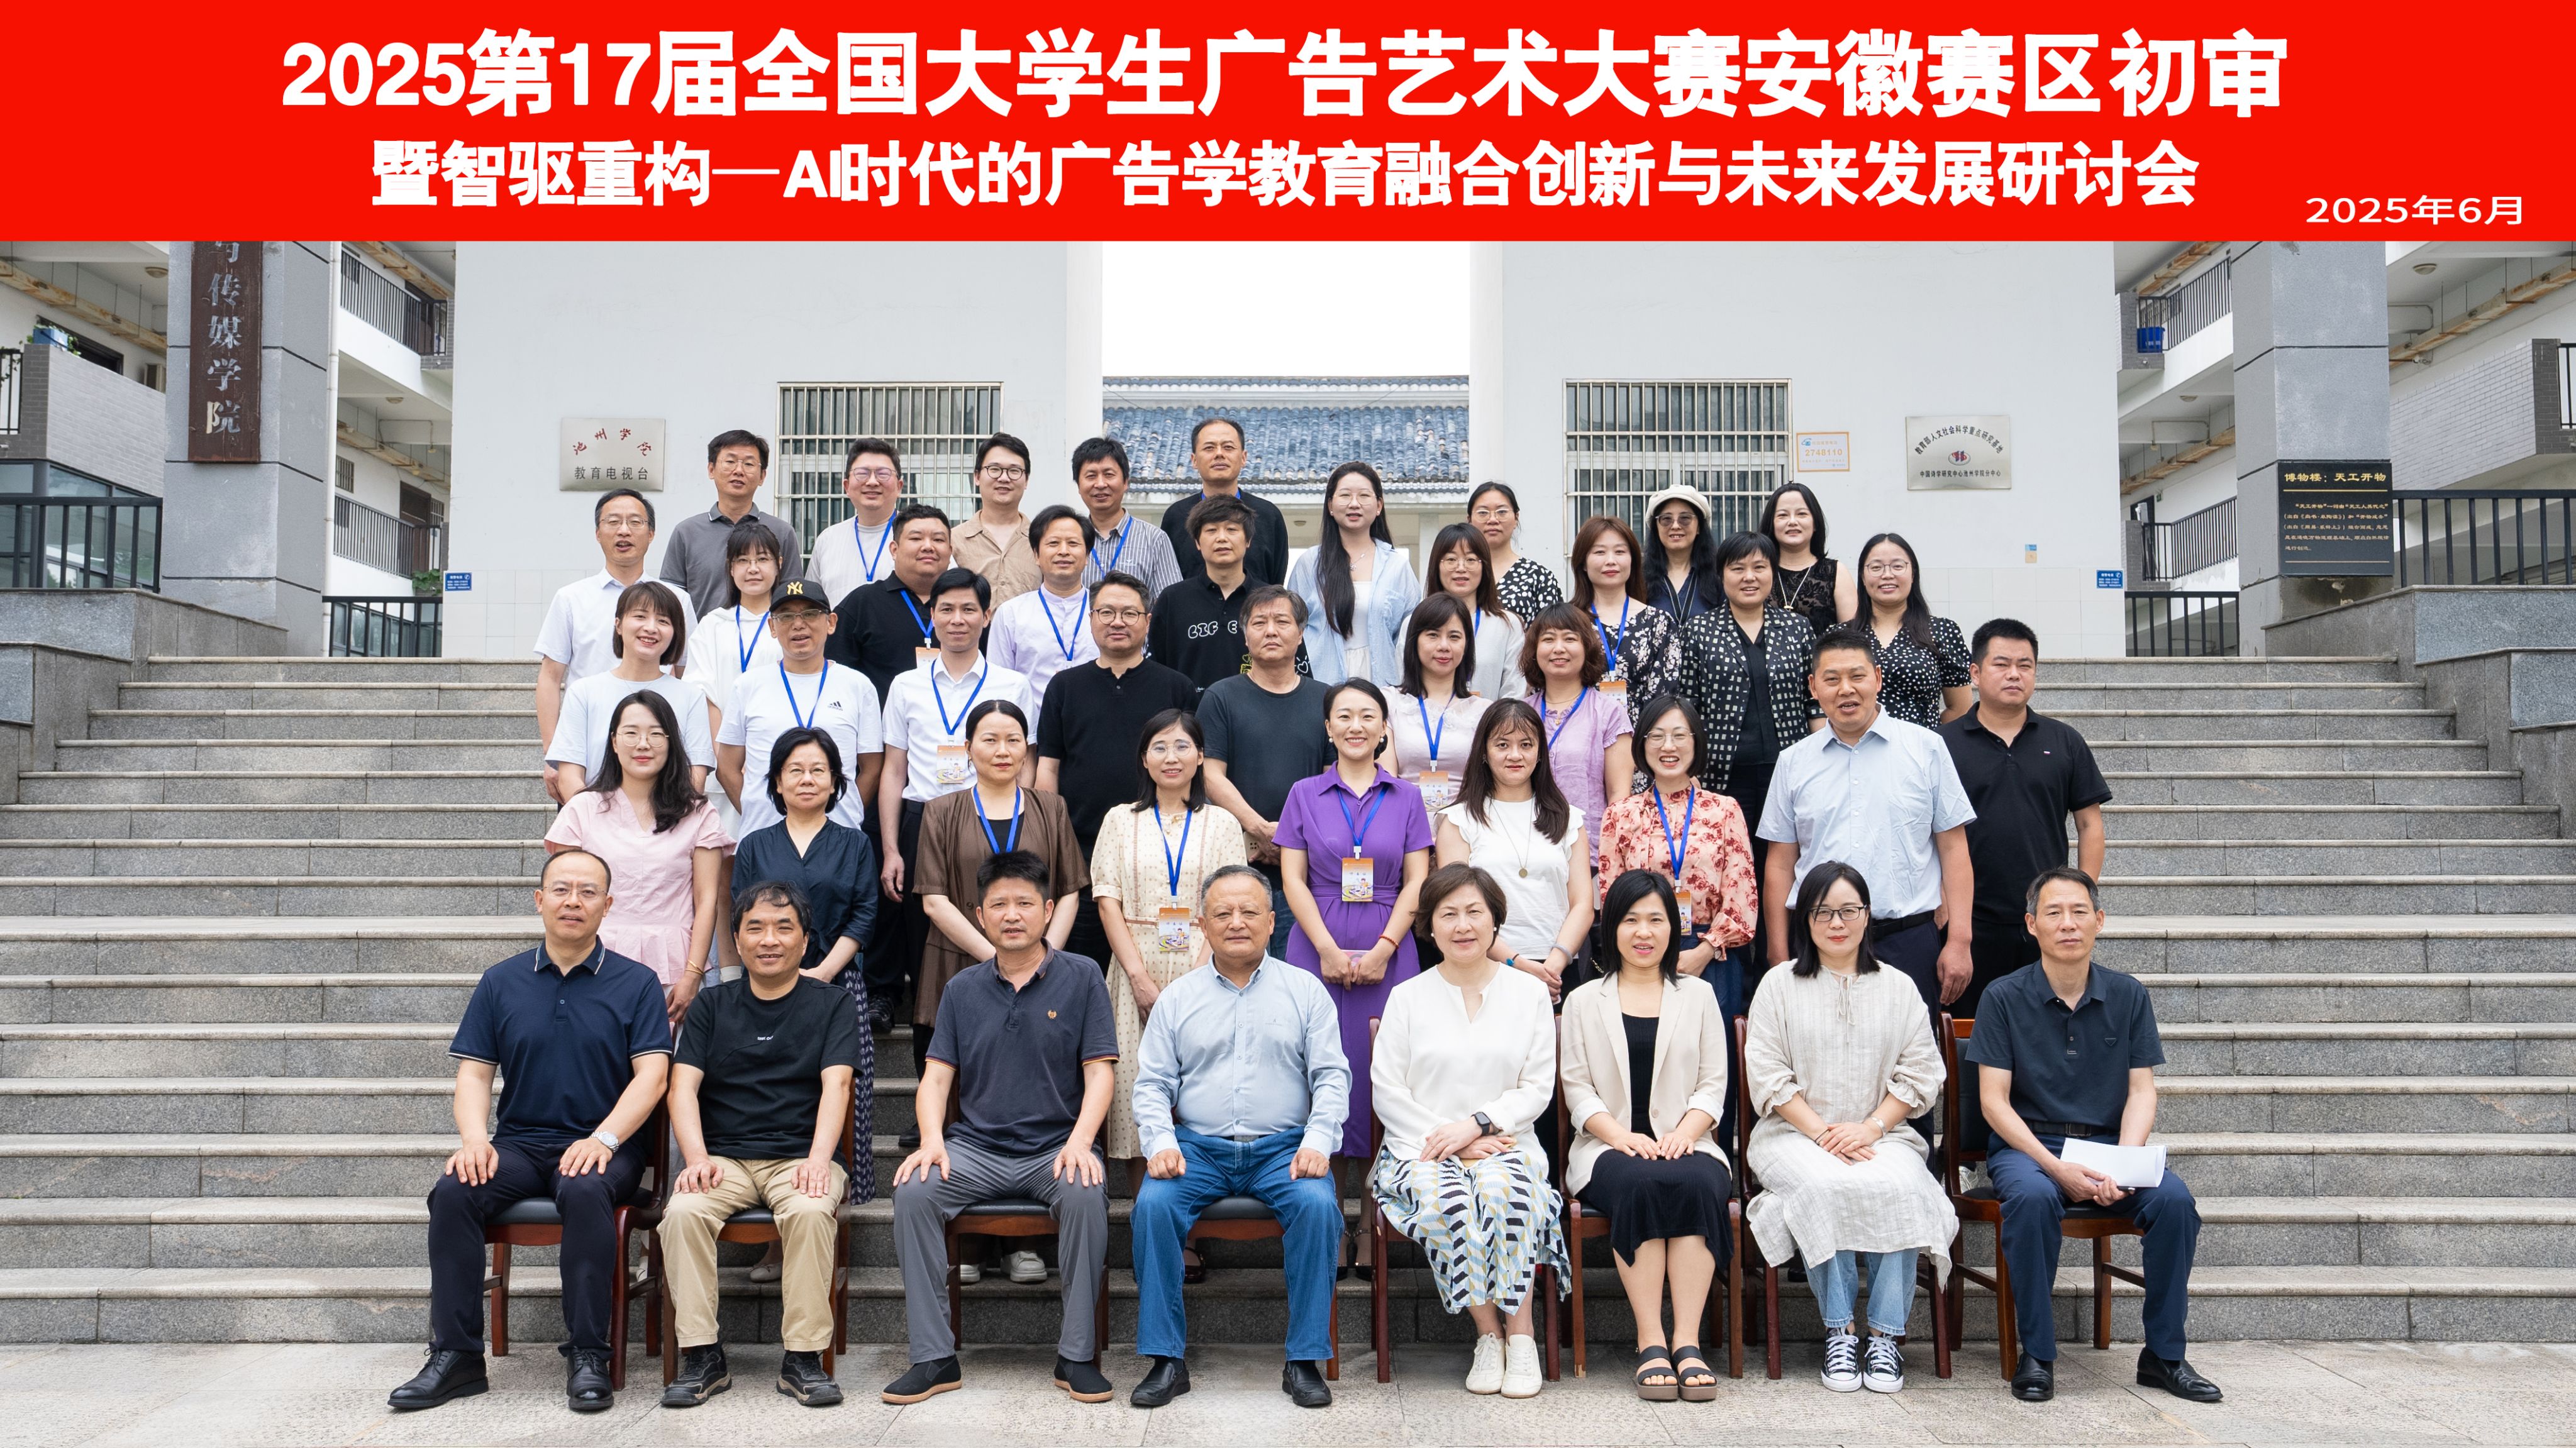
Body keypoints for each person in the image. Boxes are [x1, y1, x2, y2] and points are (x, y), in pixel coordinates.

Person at [389, 850, 670, 1416]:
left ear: (608, 905)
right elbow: (474, 1074)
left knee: (586, 1188)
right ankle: (457, 1356)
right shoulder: (501, 981)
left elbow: (654, 1075)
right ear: (540, 900)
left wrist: (604, 1139)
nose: (574, 901)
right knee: (453, 1191)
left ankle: (588, 1353)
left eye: (588, 891)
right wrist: (475, 1140)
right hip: (519, 1143)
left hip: (603, 1144)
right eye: (561, 889)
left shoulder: (637, 983)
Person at [1966, 867, 2218, 1407]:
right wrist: (2056, 1167)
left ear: (2099, 920)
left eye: (2079, 911)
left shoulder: (2128, 994)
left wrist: (2123, 1162)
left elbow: (2142, 1091)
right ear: (2031, 924)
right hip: (2029, 1148)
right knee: (2033, 1199)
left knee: (2175, 1201)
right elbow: (1993, 1102)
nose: (2068, 923)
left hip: (2108, 1145)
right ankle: (2037, 1354)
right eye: (2054, 913)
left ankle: (2164, 1355)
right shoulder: (2002, 996)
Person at [883, 851, 1118, 1407]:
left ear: (1048, 910)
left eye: (1024, 903)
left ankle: (1077, 1355)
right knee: (914, 1191)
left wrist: (1081, 1141)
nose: (1012, 915)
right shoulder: (962, 988)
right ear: (980, 914)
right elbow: (936, 1078)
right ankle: (934, 1356)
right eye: (999, 905)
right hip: (977, 1148)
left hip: (1055, 1147)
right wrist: (932, 1139)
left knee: (1085, 1191)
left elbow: (1101, 1073)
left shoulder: (1083, 976)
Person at [1127, 864, 1347, 1412]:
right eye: (1222, 913)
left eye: (1249, 911)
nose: (1236, 922)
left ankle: (1304, 1360)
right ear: (1203, 925)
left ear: (1272, 921)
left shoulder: (1305, 991)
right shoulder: (1178, 998)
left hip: (1284, 1149)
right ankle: (1166, 1359)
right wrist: (1161, 1143)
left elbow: (1331, 1076)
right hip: (1197, 1149)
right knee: (1153, 1205)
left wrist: (1318, 1140)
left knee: (1318, 1206)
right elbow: (1152, 1084)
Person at [1743, 863, 1958, 1397]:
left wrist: (1871, 1127)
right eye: (1823, 912)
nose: (1836, 923)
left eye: (1848, 910)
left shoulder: (1899, 987)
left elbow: (1922, 1072)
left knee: (1904, 1185)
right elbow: (1767, 1074)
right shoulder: (1778, 985)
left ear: (1867, 916)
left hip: (1882, 1134)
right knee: (1824, 1184)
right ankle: (1839, 1330)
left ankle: (1884, 1336)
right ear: (1805, 918)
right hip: (1792, 1135)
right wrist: (1822, 1133)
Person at [656, 882, 865, 1410]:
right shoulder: (710, 1004)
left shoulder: (833, 1003)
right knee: (683, 1212)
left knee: (812, 1210)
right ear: (737, 939)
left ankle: (803, 1358)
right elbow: (682, 1088)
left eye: (783, 927)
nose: (769, 939)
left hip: (800, 1156)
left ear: (805, 940)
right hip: (723, 1158)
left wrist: (819, 1159)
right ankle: (702, 1355)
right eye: (756, 927)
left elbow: (838, 1085)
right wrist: (696, 1159)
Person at [1369, 863, 1568, 1400]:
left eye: (1474, 912)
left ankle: (1521, 1337)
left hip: (1505, 1141)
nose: (1463, 925)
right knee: (1452, 1201)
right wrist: (1453, 1139)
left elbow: (1537, 1087)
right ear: (1429, 927)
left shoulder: (1528, 994)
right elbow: (1388, 1090)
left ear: (1495, 921)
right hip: (1423, 1148)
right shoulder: (1407, 996)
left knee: (1508, 1194)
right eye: (1448, 914)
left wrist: (1477, 1125)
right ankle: (1488, 1334)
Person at [1559, 870, 1734, 1401]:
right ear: (1612, 927)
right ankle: (1651, 1337)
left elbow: (1714, 1081)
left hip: (1689, 1140)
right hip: (1607, 1147)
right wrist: (1619, 1135)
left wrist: (1686, 1131)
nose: (1644, 932)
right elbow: (1577, 1086)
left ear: (1673, 928)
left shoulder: (1699, 995)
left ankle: (1687, 1341)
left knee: (1697, 1182)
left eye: (1656, 919)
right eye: (1631, 919)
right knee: (1639, 1182)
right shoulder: (1584, 1000)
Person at [1759, 629, 1976, 1020]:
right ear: (1813, 687)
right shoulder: (1793, 762)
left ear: (1877, 678)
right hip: (1819, 942)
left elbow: (1954, 848)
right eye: (1832, 679)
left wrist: (1959, 940)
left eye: (1857, 676)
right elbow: (1780, 863)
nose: (1846, 689)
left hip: (1906, 939)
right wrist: (1778, 953)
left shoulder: (1926, 748)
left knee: (1907, 1054)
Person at [878, 571, 1035, 1076]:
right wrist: (891, 848)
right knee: (926, 953)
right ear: (932, 616)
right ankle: (933, 1081)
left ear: (987, 616)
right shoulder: (906, 685)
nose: (957, 619)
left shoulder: (1012, 684)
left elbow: (1026, 763)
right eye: (946, 609)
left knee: (1002, 934)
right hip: (922, 819)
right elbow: (894, 770)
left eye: (969, 609)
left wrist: (1021, 826)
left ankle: (996, 1073)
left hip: (992, 819)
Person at [1275, 680, 1435, 1170]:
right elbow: (1293, 879)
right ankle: (1317, 1198)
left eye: (1368, 716)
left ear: (1385, 728)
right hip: (1315, 940)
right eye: (1344, 716)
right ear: (1328, 728)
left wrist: (1385, 949)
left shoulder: (1407, 796)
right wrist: (1326, 949)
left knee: (1384, 1069)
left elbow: (1418, 880)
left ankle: (1374, 1209)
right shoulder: (1304, 793)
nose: (1355, 726)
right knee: (1312, 1062)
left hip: (1390, 942)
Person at [729, 728, 882, 1205]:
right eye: (795, 770)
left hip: (838, 982)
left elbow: (864, 913)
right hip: (766, 986)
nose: (807, 779)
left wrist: (824, 972)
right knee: (773, 1088)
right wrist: (782, 972)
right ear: (777, 781)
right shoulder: (754, 845)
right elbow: (742, 916)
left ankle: (842, 1194)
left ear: (836, 781)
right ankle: (770, 1196)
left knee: (844, 1086)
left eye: (819, 770)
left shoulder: (855, 843)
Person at [1091, 709, 1250, 1159]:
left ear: (1200, 757)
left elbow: (1230, 902)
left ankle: (1200, 1190)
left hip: (1207, 966)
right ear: (1144, 759)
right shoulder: (1119, 819)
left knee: (1202, 1082)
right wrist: (1139, 978)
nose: (1171, 757)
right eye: (1159, 747)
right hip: (1135, 965)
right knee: (1136, 1082)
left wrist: (1198, 979)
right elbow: (1107, 899)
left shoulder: (1222, 823)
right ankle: (1145, 1198)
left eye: (1182, 746)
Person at [1938, 618, 2111, 1020]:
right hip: (1971, 919)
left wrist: (2080, 897)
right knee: (1972, 1032)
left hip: (2045, 918)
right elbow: (1927, 833)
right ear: (1975, 673)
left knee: (2048, 1028)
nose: (2014, 674)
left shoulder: (2064, 740)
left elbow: (2090, 825)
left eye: (2025, 665)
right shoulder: (1942, 745)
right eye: (2001, 664)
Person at [1033, 570, 1202, 968]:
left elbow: (1192, 765)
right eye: (1106, 612)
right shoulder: (1064, 686)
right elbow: (1048, 769)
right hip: (1081, 850)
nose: (1117, 622)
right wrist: (1054, 841)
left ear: (1148, 620)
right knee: (1082, 965)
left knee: (1153, 962)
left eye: (1130, 613)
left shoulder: (1177, 686)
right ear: (1091, 618)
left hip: (1161, 850)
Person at [913, 699, 1087, 1083]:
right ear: (968, 748)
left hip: (1042, 967)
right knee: (952, 1080)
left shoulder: (1052, 808)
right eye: (990, 740)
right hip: (959, 960)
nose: (1003, 751)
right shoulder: (940, 811)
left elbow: (1070, 889)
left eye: (1014, 740)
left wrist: (1043, 960)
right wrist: (1000, 960)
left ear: (1027, 748)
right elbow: (934, 901)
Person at [546, 690, 731, 1019]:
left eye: (656, 734)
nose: (643, 744)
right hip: (592, 961)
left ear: (671, 743)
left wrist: (693, 975)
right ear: (614, 742)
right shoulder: (581, 809)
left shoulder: (698, 813)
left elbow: (707, 900)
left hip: (674, 967)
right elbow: (562, 897)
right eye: (631, 733)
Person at [1679, 533, 1819, 953]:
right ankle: (1738, 966)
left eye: (1759, 567)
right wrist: (1691, 772)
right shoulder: (1700, 629)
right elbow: (1688, 706)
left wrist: (1821, 764)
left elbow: (1813, 702)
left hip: (1788, 775)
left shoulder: (1797, 628)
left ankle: (1787, 958)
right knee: (1733, 872)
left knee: (1787, 869)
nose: (1749, 577)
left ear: (1773, 573)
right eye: (1737, 568)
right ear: (1721, 575)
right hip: (1724, 780)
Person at [1594, 697, 1757, 1014]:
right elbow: (1612, 899)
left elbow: (1742, 900)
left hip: (1711, 954)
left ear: (1696, 742)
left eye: (1680, 735)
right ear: (1642, 744)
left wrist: (1704, 951)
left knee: (1710, 1043)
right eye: (1657, 736)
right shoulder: (1620, 815)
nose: (1668, 746)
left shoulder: (1724, 810)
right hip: (1641, 950)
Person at [1198, 587, 1335, 956]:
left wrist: (1289, 839)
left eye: (1282, 622)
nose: (1271, 631)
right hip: (1237, 863)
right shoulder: (1221, 697)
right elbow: (1210, 774)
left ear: (1301, 633)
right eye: (1259, 623)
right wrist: (1259, 829)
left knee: (1296, 970)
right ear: (1245, 636)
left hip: (1308, 870)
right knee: (1238, 968)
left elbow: (1331, 782)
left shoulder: (1325, 699)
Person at [1435, 700, 1594, 1007]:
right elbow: (1458, 906)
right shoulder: (1458, 820)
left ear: (1540, 753)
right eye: (1502, 745)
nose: (1515, 755)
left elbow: (1583, 904)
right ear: (1484, 751)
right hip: (1485, 965)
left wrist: (1554, 965)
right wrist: (1517, 963)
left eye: (1526, 744)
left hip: (1558, 970)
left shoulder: (1569, 819)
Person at [536, 489, 689, 802]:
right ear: (598, 533)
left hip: (655, 753)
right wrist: (554, 754)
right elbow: (550, 678)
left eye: (635, 522)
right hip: (587, 753)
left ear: (651, 534)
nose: (624, 530)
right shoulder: (571, 599)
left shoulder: (677, 600)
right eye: (613, 522)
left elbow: (686, 674)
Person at [716, 580, 884, 840]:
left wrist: (845, 813)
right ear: (772, 627)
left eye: (810, 614)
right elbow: (727, 768)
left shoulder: (858, 686)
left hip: (839, 838)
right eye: (786, 616)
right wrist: (757, 815)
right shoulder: (748, 686)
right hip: (765, 838)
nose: (798, 624)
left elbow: (872, 768)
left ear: (831, 622)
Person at [545, 582, 716, 801]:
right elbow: (570, 777)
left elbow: (695, 777)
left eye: (663, 621)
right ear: (618, 625)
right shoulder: (583, 692)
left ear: (675, 633)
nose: (651, 628)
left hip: (669, 819)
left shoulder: (691, 696)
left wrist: (659, 819)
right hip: (594, 819)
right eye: (640, 617)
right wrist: (601, 818)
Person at [679, 521, 789, 824]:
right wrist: (727, 760)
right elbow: (704, 697)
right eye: (743, 560)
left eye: (762, 559)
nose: (753, 569)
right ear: (730, 567)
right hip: (722, 768)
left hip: (780, 760)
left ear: (779, 564)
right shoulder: (713, 625)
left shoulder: (790, 623)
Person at [1285, 461, 1419, 685]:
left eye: (1364, 496)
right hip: (1321, 683)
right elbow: (1292, 626)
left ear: (1379, 505)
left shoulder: (1397, 566)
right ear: (1330, 505)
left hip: (1383, 686)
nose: (1354, 504)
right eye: (1345, 495)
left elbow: (1412, 633)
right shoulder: (1310, 564)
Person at [1519, 602, 1635, 843]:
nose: (1559, 648)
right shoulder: (1521, 714)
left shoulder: (1609, 713)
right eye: (1548, 639)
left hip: (1589, 847)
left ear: (1587, 648)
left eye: (1570, 639)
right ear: (1534, 650)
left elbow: (1619, 796)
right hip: (1526, 844)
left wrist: (1609, 851)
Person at [660, 429, 807, 620]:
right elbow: (671, 600)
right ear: (711, 469)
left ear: (762, 476)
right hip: (702, 637)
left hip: (767, 636)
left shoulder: (782, 532)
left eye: (749, 464)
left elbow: (792, 598)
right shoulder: (686, 533)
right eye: (730, 462)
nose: (739, 471)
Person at [1146, 494, 1279, 691]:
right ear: (1197, 542)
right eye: (1211, 530)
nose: (1222, 538)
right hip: (1187, 710)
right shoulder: (1172, 600)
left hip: (1256, 709)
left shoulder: (1272, 601)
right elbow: (1156, 669)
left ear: (1248, 540)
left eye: (1232, 529)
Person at [987, 504, 1099, 732]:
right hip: (1031, 736)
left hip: (1095, 731)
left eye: (1073, 543)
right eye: (1053, 543)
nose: (1064, 551)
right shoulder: (1011, 614)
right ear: (1036, 555)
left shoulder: (1105, 612)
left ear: (1087, 555)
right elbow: (999, 685)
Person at [825, 503, 955, 701]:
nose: (928, 546)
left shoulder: (965, 606)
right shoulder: (862, 603)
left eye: (938, 539)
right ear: (894, 550)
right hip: (880, 719)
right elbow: (837, 678)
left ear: (950, 551)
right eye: (916, 538)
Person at [1570, 514, 1685, 721]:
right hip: (1578, 734)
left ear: (1633, 560)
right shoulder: (1567, 622)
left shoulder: (1659, 622)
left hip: (1641, 735)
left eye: (1620, 552)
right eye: (1599, 552)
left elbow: (1664, 698)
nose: (1611, 561)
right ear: (1583, 563)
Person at [1389, 594, 1491, 822]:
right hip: (1403, 823)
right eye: (1433, 635)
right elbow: (1386, 781)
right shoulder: (1389, 702)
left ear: (1467, 645)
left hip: (1467, 825)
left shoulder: (1485, 711)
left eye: (1454, 637)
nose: (1444, 646)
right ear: (1415, 640)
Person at [1855, 532, 1972, 729]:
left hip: (1923, 745)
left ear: (1913, 574)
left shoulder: (1942, 631)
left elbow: (1960, 708)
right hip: (1858, 744)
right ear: (1863, 577)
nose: (1887, 575)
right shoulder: (1842, 636)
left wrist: (1930, 738)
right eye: (1876, 567)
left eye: (1898, 566)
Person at [1160, 416, 1289, 584]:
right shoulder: (1176, 517)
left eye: (1228, 447)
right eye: (1209, 448)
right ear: (1194, 460)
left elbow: (1275, 582)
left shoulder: (1268, 516)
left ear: (1243, 458)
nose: (1219, 454)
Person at [1426, 521, 1527, 702]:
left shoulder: (1507, 625)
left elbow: (1513, 694)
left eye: (1471, 560)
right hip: (1428, 720)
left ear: (1484, 567)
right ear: (1437, 566)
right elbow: (1408, 691)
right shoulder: (1416, 623)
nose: (1461, 568)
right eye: (1451, 560)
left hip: (1490, 720)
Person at [1072, 436, 1182, 600]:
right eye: (1091, 476)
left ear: (1125, 482)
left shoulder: (1155, 539)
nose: (1100, 484)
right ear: (1079, 486)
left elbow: (1171, 604)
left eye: (1109, 474)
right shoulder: (1069, 539)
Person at [806, 438, 905, 605]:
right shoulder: (828, 539)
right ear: (847, 486)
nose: (872, 482)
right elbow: (812, 604)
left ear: (899, 487)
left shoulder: (921, 536)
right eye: (862, 474)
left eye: (883, 474)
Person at [950, 432, 1041, 607]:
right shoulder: (953, 540)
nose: (1004, 478)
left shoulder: (1041, 541)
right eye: (994, 469)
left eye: (1014, 471)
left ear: (1026, 480)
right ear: (977, 476)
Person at [1758, 482, 1856, 643]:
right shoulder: (1759, 571)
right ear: (1771, 524)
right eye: (1783, 515)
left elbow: (1852, 638)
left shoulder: (1837, 572)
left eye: (1802, 514)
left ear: (1815, 523)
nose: (1792, 522)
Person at [1468, 482, 1564, 622]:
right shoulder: (1457, 573)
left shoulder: (1539, 577)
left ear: (1516, 518)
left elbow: (1555, 630)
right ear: (1469, 520)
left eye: (1502, 512)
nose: (1493, 520)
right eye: (1483, 513)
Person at [1643, 484, 1722, 622]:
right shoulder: (1639, 577)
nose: (1675, 526)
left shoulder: (1720, 575)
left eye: (1685, 519)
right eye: (1666, 519)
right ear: (1656, 528)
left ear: (1699, 527)